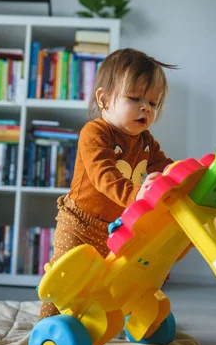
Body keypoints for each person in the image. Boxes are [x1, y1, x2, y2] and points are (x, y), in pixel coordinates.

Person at [39, 48, 177, 320]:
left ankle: (131, 315)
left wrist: (182, 176)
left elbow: (164, 167)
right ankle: (47, 325)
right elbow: (105, 176)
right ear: (104, 99)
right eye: (135, 98)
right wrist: (138, 195)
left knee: (123, 280)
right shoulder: (95, 133)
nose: (145, 108)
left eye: (153, 102)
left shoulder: (146, 141)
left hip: (116, 231)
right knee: (63, 277)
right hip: (79, 225)